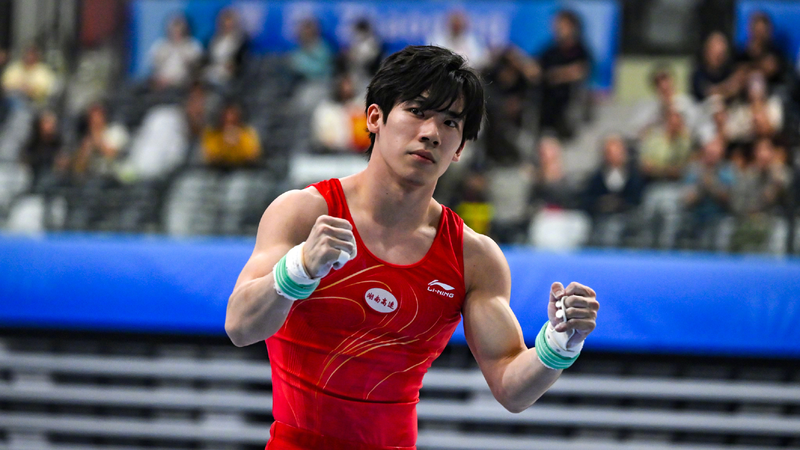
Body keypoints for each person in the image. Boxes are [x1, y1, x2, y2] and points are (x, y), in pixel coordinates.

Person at [225, 46, 599, 449]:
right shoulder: (302, 213)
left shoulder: (473, 258)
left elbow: (511, 387)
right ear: (374, 118)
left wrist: (559, 344)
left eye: (450, 122)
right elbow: (240, 326)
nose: (431, 132)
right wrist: (297, 269)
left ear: (458, 150)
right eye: (418, 111)